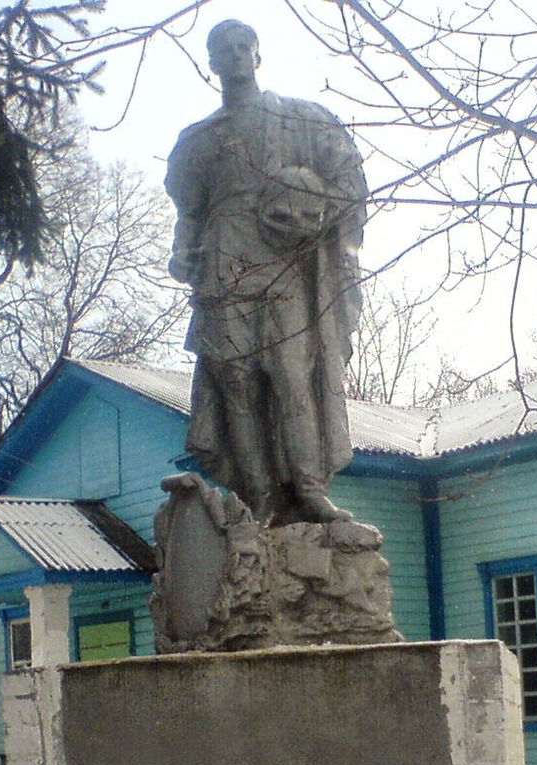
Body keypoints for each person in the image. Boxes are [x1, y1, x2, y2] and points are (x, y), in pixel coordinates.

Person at [165, 20, 368, 525]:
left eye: (243, 48)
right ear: (211, 63)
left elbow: (349, 178)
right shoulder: (199, 141)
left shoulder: (301, 120)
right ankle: (262, 496)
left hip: (285, 269)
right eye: (223, 50)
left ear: (258, 56)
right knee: (236, 382)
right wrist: (181, 252)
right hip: (223, 268)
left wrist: (312, 206)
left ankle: (308, 487)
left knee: (291, 375)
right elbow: (188, 213)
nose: (234, 57)